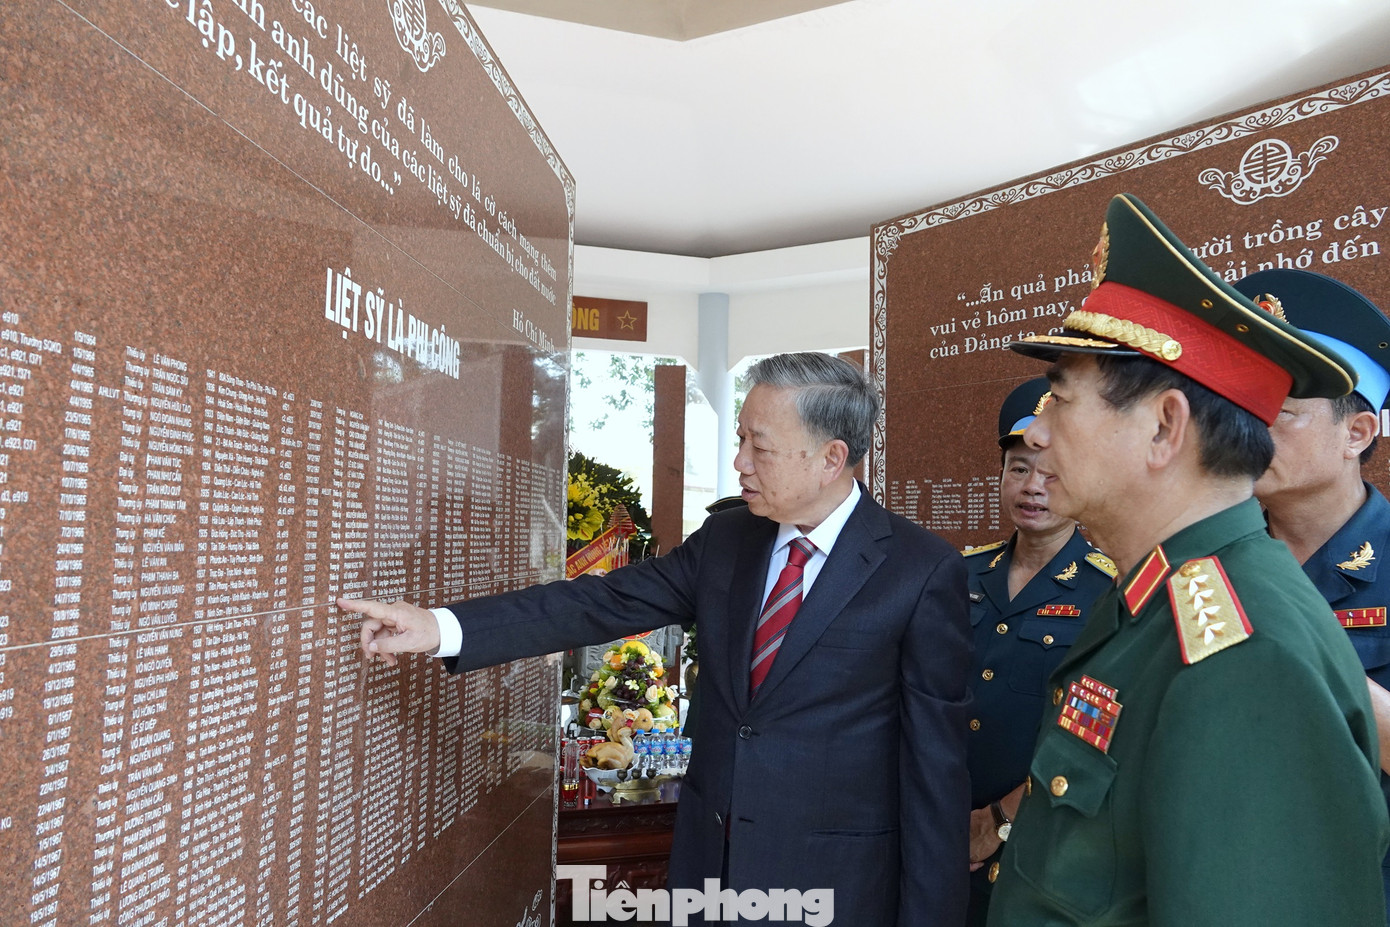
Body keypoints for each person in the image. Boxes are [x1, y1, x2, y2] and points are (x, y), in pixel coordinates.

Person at [339, 352, 973, 926]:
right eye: (740, 439)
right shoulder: (727, 542)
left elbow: (933, 775)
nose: (739, 462)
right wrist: (440, 627)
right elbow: (600, 601)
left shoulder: (918, 572)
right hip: (708, 877)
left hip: (836, 889)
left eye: (760, 446)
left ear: (830, 457)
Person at [985, 193, 1389, 925]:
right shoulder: (1156, 593)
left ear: (1165, 427)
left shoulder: (1242, 655)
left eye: (1059, 400)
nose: (1035, 436)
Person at [1233, 267, 1390, 919]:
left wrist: (1304, 644)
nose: (1244, 432)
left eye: (1277, 413)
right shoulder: (1207, 559)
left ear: (1357, 432)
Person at [963, 377, 1115, 924]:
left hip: (1044, 840)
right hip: (945, 834)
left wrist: (1001, 820)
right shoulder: (961, 575)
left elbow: (1096, 735)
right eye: (1020, 468)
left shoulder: (1109, 591)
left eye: (1052, 473)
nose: (1033, 487)